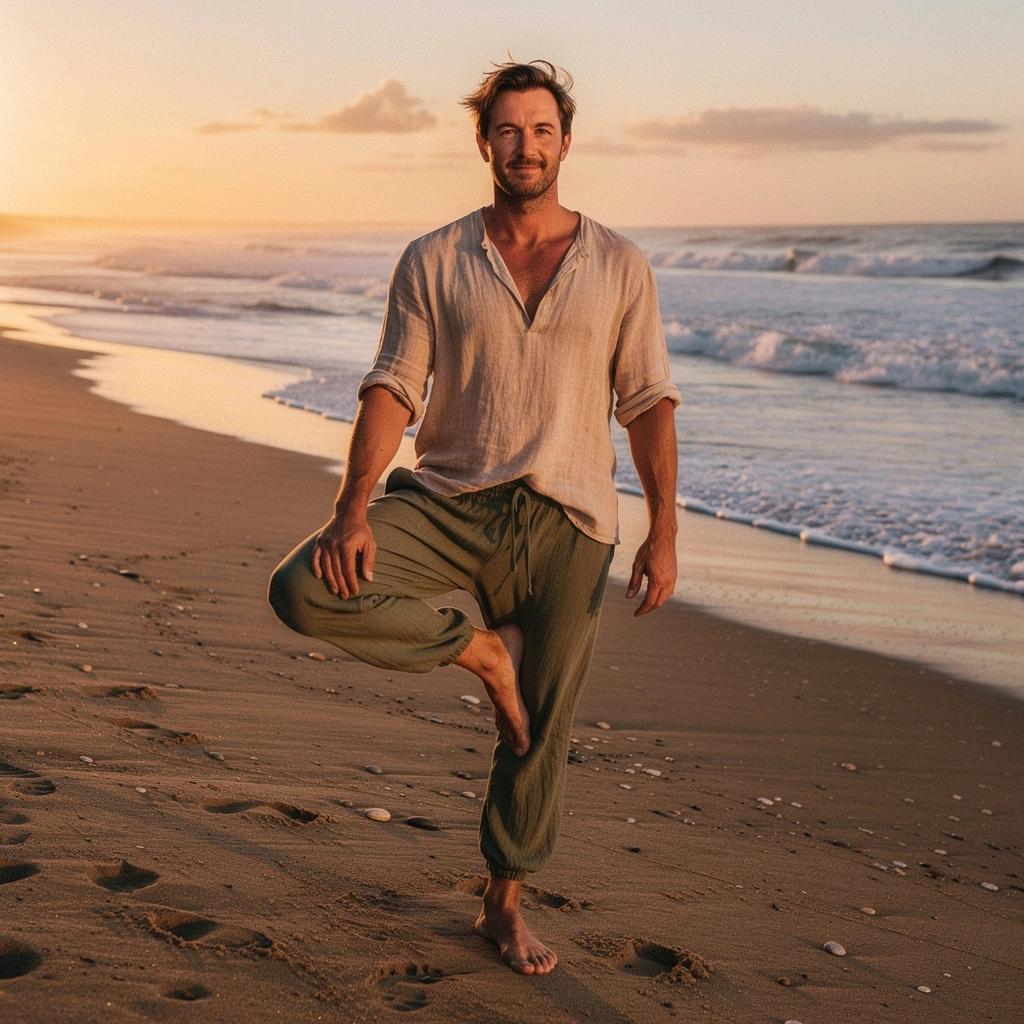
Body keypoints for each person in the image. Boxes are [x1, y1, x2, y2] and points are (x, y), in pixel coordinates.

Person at [268, 59, 681, 976]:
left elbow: (648, 400)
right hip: (450, 498)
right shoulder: (435, 257)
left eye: (541, 130)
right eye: (507, 130)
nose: (524, 146)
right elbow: (393, 387)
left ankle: (503, 901)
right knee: (303, 589)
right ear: (483, 141)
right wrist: (350, 510)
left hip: (569, 520)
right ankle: (480, 650)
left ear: (565, 143)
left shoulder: (619, 264)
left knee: (542, 720)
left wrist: (665, 527)